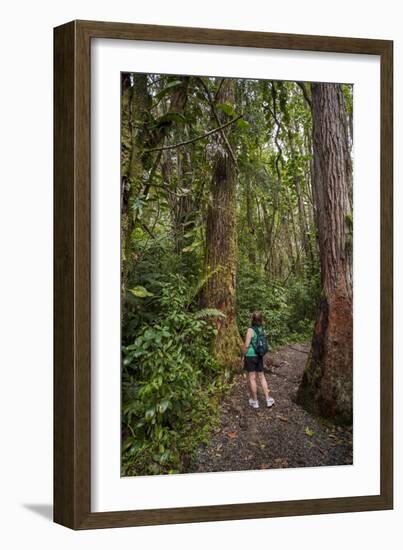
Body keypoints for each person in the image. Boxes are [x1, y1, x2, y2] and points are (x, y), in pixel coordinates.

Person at [242, 311, 275, 409]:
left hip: (250, 356)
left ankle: (254, 401)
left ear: (252, 319)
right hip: (259, 356)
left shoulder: (250, 330)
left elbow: (246, 345)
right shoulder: (262, 330)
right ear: (261, 319)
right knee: (262, 377)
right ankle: (268, 399)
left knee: (252, 378)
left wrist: (243, 356)